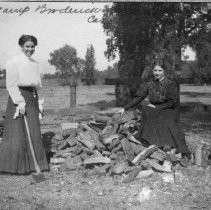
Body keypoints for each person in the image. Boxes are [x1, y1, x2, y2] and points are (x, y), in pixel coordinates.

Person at [118, 64, 190, 166]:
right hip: (154, 110)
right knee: (145, 108)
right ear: (152, 72)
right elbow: (139, 97)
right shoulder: (149, 84)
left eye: (160, 70)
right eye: (155, 70)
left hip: (169, 109)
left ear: (164, 71)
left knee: (172, 125)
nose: (157, 73)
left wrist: (157, 108)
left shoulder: (171, 84)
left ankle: (184, 153)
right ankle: (156, 144)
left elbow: (173, 102)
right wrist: (125, 108)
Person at [0, 35, 49, 174]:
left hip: (32, 98)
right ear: (21, 46)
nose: (30, 49)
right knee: (17, 132)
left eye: (32, 46)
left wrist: (40, 103)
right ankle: (14, 167)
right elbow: (11, 85)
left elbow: (39, 86)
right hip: (19, 98)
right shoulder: (13, 62)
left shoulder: (35, 64)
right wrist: (20, 102)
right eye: (27, 46)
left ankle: (35, 166)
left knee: (33, 131)